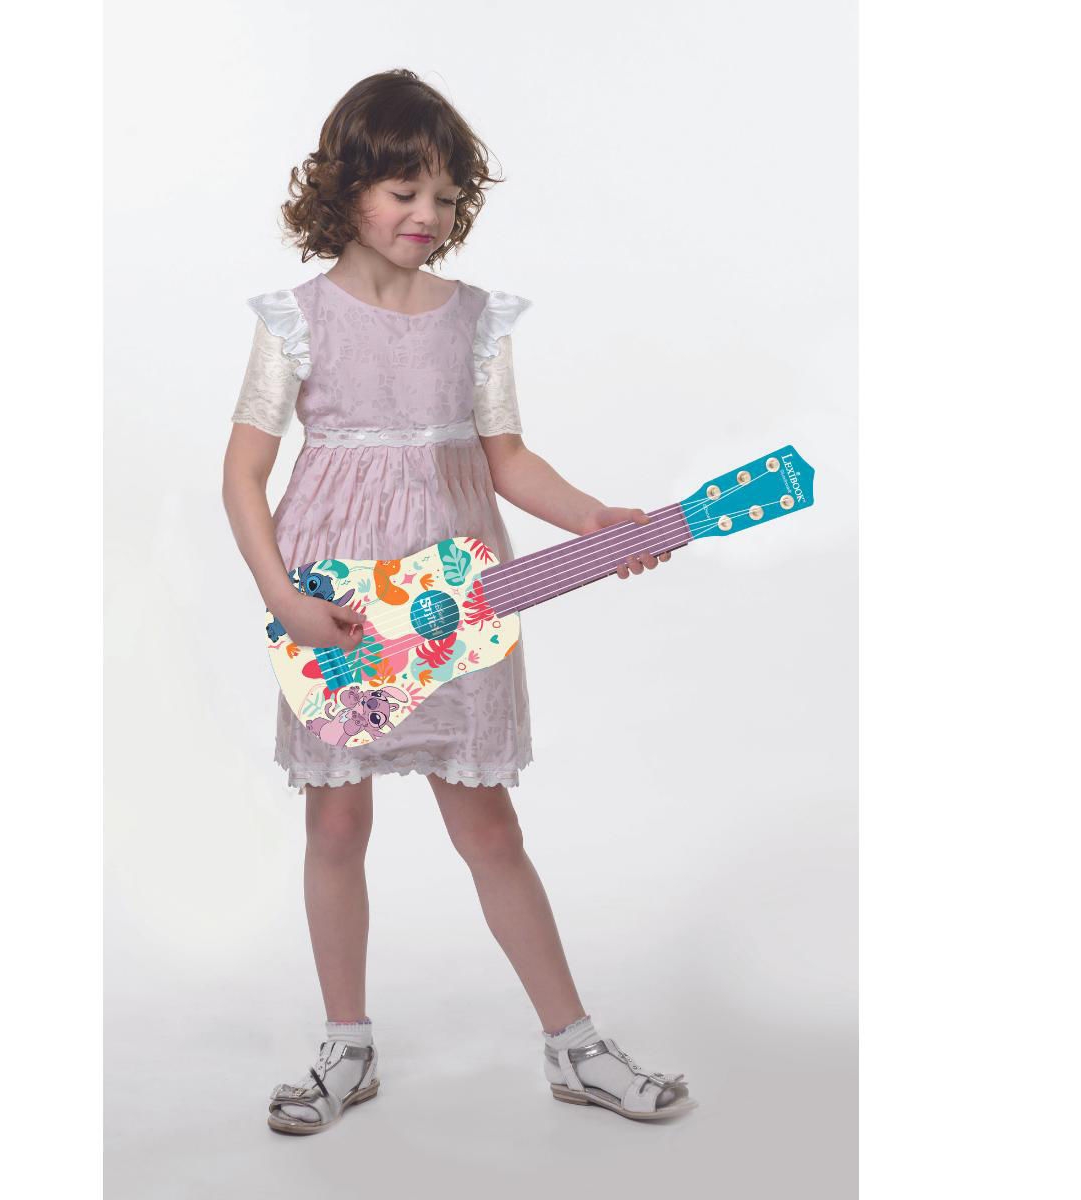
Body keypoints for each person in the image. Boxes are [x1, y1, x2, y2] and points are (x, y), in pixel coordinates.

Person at [222, 68, 695, 1134]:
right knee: (336, 819)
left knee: (486, 824)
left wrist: (592, 519)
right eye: (404, 192)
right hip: (337, 598)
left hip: (456, 595)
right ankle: (347, 1046)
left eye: (443, 196)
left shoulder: (475, 320)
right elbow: (242, 474)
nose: (426, 215)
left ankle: (575, 1045)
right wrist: (282, 598)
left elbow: (506, 458)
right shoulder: (295, 322)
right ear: (346, 188)